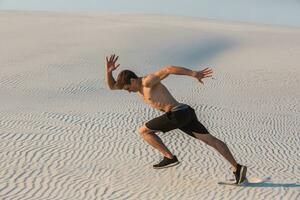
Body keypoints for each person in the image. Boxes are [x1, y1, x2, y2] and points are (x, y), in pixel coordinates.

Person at [105, 54, 247, 184]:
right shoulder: (135, 86)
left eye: (128, 88)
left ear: (132, 80)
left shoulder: (147, 81)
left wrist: (194, 74)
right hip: (185, 112)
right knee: (210, 140)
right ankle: (237, 168)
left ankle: (169, 157)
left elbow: (169, 69)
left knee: (143, 131)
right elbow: (112, 86)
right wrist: (109, 71)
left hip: (177, 114)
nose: (129, 91)